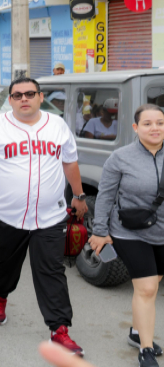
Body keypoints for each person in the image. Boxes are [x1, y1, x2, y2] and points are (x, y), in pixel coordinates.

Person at [0, 77, 89, 356]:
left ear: (40, 97)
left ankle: (59, 330)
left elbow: (70, 162)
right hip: (7, 216)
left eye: (30, 94)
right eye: (18, 95)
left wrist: (79, 195)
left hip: (50, 216)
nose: (24, 99)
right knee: (6, 265)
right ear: (10, 100)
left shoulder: (57, 125)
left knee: (52, 271)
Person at [90, 104, 164, 367]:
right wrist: (100, 231)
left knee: (151, 284)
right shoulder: (120, 157)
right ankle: (145, 349)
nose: (155, 128)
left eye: (160, 123)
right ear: (136, 127)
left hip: (162, 232)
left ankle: (136, 331)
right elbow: (105, 196)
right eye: (147, 123)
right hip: (130, 232)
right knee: (147, 288)